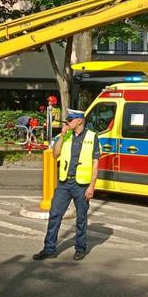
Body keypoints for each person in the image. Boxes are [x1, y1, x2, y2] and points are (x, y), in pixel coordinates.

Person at [32, 109, 100, 262]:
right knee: (55, 215)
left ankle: (80, 248)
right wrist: (62, 135)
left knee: (81, 218)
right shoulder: (65, 135)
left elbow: (95, 164)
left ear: (80, 121)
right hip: (64, 183)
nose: (68, 122)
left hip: (81, 184)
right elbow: (55, 154)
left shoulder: (92, 137)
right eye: (68, 120)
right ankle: (49, 249)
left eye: (71, 120)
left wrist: (91, 186)